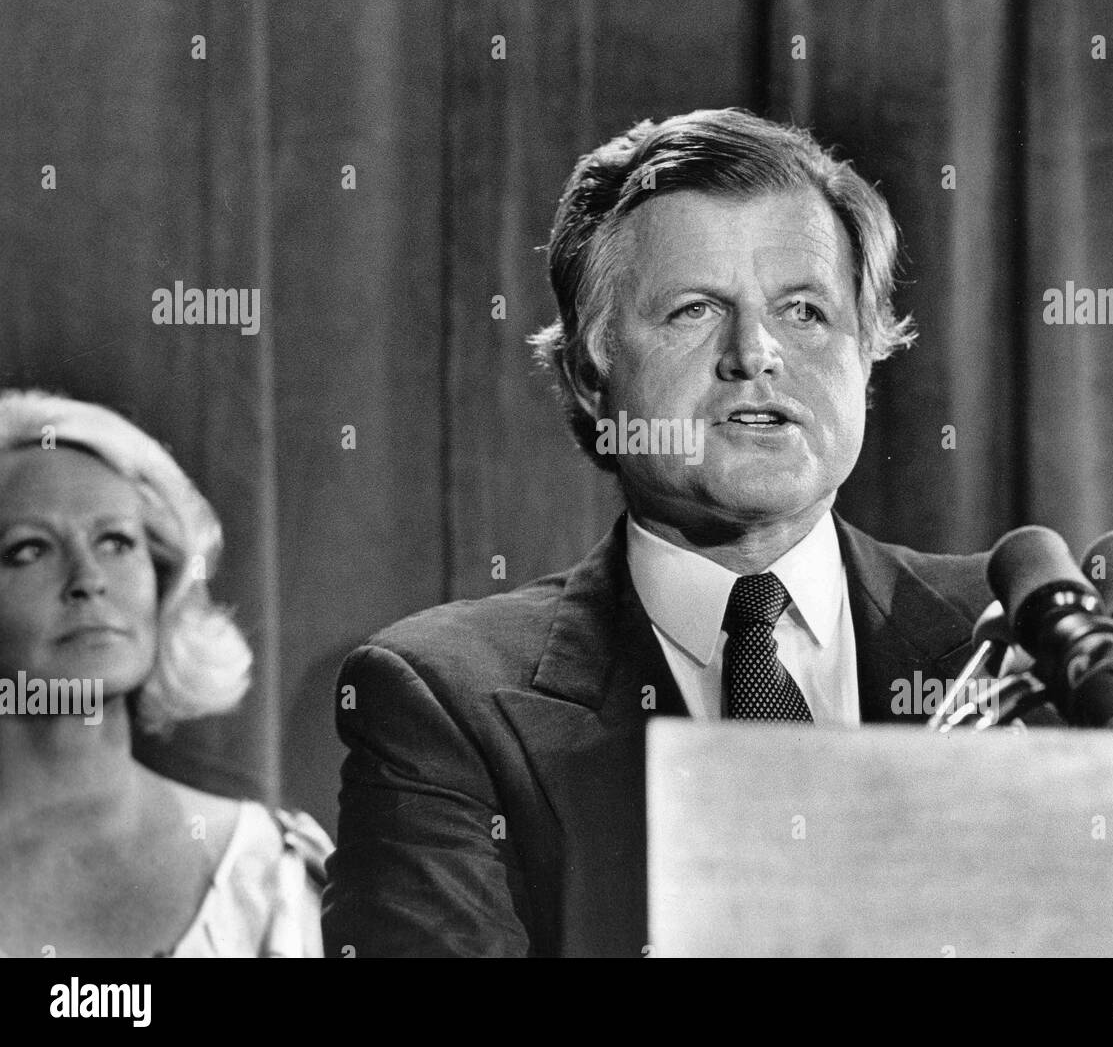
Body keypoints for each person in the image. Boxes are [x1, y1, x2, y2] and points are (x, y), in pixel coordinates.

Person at [323, 108, 993, 957]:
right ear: (592, 378)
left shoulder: (1017, 637)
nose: (756, 353)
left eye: (804, 311)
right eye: (692, 311)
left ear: (866, 358)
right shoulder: (443, 701)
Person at [0, 390, 331, 957]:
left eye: (116, 542)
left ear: (163, 577)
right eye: (30, 550)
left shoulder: (264, 872)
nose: (89, 578)